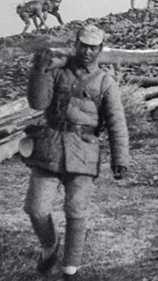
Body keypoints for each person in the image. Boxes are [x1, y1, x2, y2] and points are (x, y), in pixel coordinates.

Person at [22, 25, 130, 280]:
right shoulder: (57, 71)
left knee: (76, 211)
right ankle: (50, 245)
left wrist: (120, 159)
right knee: (36, 208)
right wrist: (39, 70)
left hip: (84, 152)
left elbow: (116, 122)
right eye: (83, 46)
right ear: (76, 44)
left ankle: (71, 268)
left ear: (100, 49)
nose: (87, 52)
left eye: (93, 47)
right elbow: (37, 103)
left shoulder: (105, 81)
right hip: (49, 148)